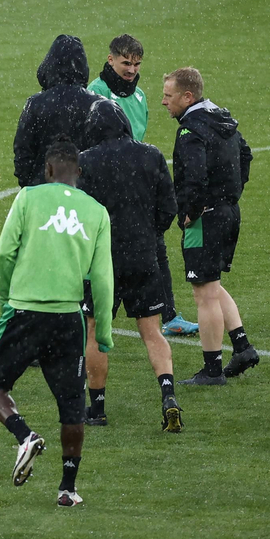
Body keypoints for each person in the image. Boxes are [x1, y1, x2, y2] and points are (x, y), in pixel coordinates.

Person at [0, 139, 112, 507]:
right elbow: (102, 278)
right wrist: (103, 330)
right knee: (72, 405)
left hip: (25, 312)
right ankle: (67, 489)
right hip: (69, 318)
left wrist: (8, 294)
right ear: (78, 174)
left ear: (49, 170)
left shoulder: (28, 198)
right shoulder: (96, 212)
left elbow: (5, 252)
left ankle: (24, 436)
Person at [77, 102, 181, 430]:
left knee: (95, 331)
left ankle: (97, 409)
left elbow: (79, 217)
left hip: (102, 261)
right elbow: (168, 208)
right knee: (152, 331)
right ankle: (168, 396)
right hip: (143, 257)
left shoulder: (86, 161)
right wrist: (148, 235)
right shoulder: (151, 155)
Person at [88, 34, 198, 337]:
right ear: (110, 59)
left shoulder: (138, 97)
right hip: (108, 185)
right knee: (101, 254)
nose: (132, 69)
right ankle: (87, 319)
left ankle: (169, 314)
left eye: (136, 64)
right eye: (126, 63)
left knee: (155, 247)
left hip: (134, 183)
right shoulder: (94, 94)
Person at [161, 67, 256, 385]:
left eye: (168, 95)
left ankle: (212, 370)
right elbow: (245, 153)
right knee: (211, 284)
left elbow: (196, 176)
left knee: (203, 292)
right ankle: (241, 347)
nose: (164, 102)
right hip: (229, 212)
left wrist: (190, 211)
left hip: (206, 218)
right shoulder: (221, 117)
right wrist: (232, 192)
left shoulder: (191, 128)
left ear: (188, 96)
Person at [12, 34, 112, 187]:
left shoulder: (36, 104)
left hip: (43, 191)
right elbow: (106, 155)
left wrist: (31, 185)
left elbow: (23, 152)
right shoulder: (98, 105)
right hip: (83, 195)